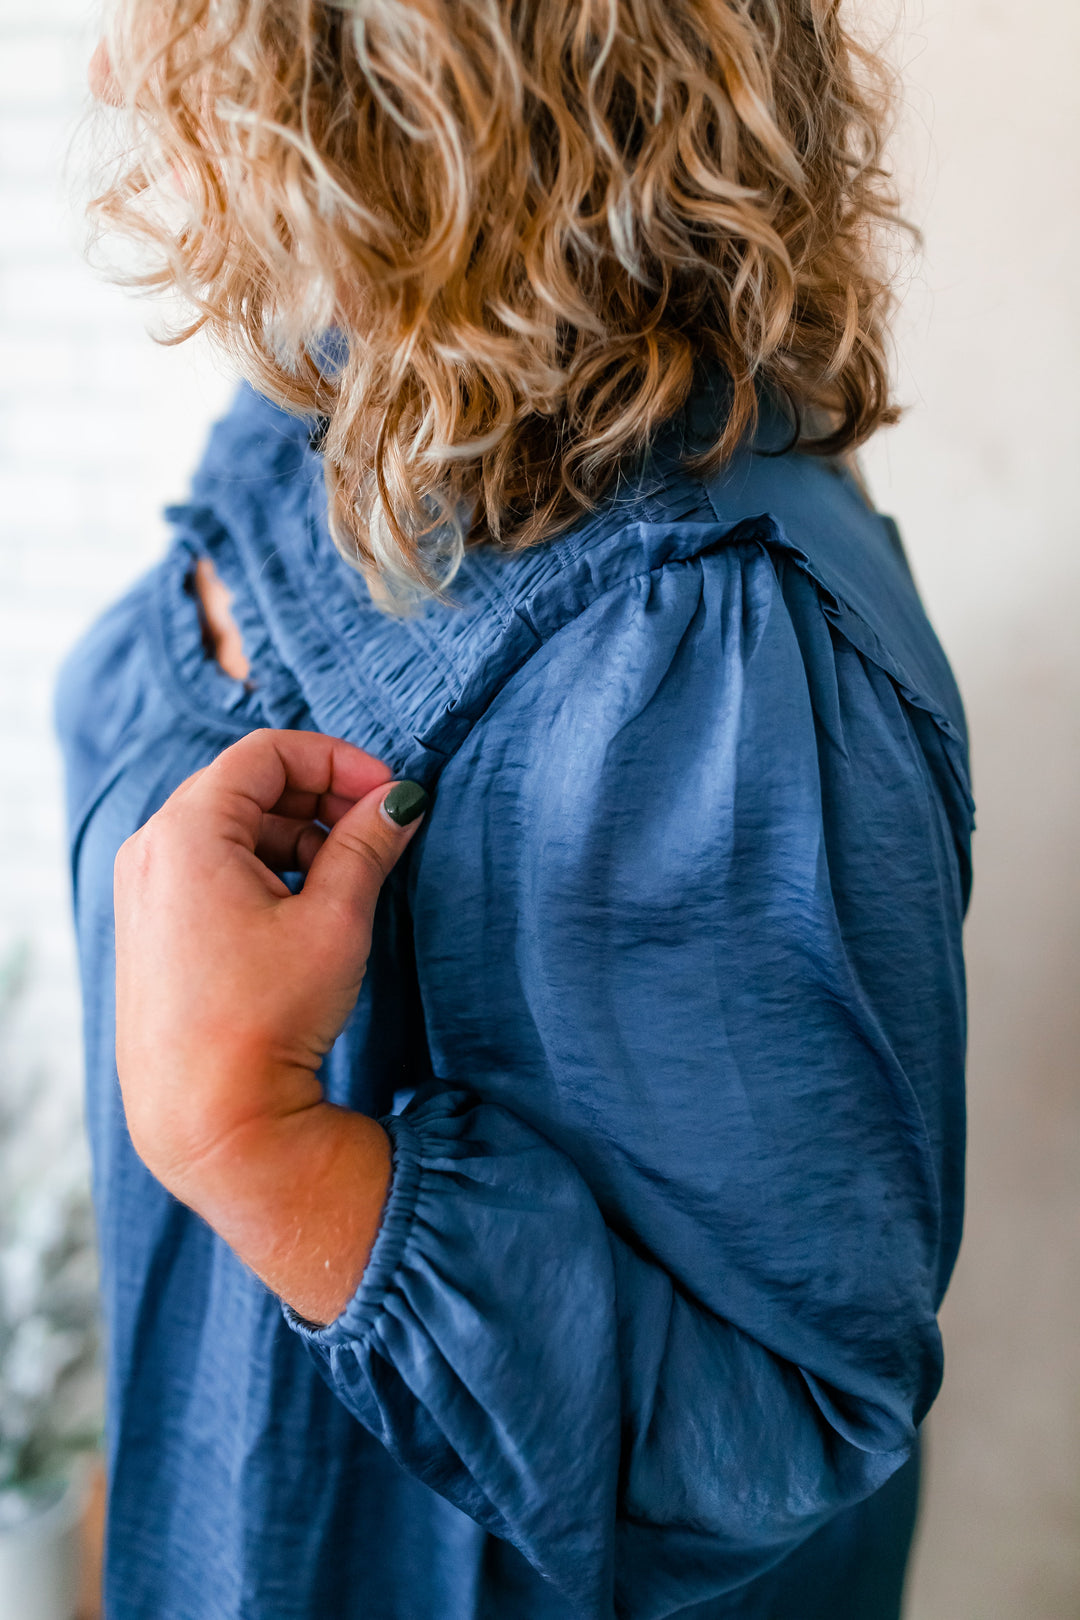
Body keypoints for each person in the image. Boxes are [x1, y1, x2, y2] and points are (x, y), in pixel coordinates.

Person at [59, 3, 973, 1616]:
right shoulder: (335, 378)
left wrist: (250, 1139)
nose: (124, 64)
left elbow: (781, 1429)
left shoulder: (707, 662)